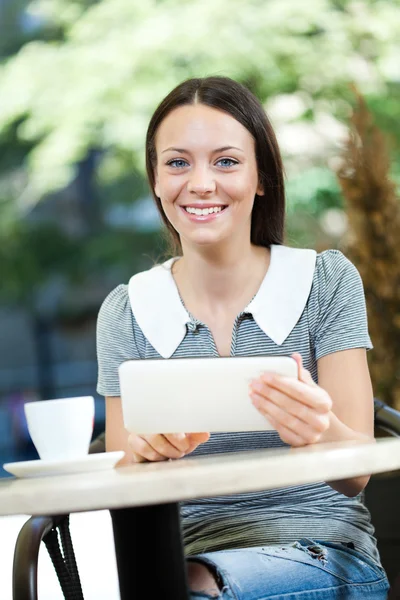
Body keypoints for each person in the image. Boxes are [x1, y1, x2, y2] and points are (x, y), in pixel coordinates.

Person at [96, 76, 389, 599]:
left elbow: (358, 475)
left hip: (323, 554)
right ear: (157, 180)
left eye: (226, 161)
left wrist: (319, 427)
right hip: (184, 562)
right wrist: (144, 454)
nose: (201, 183)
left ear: (261, 178)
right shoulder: (128, 309)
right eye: (178, 162)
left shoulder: (325, 282)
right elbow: (123, 484)